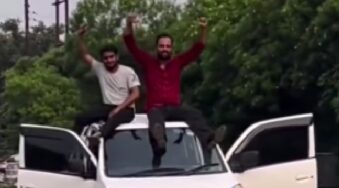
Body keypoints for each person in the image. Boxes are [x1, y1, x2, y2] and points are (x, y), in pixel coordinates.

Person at [123, 15, 225, 160]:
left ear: (172, 49)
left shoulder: (178, 62)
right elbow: (130, 44)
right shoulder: (148, 62)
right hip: (156, 108)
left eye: (167, 46)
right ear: (157, 48)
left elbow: (198, 48)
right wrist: (128, 24)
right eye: (162, 46)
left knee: (194, 114)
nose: (165, 49)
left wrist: (203, 29)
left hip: (175, 107)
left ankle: (209, 140)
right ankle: (160, 142)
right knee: (155, 119)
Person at [73, 25, 140, 149]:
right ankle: (75, 145)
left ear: (117, 57)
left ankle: (97, 139)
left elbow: (135, 94)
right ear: (103, 60)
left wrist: (118, 109)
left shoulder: (127, 71)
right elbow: (84, 55)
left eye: (111, 57)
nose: (109, 60)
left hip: (126, 109)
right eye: (106, 58)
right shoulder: (100, 68)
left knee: (111, 122)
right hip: (108, 107)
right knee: (81, 118)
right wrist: (80, 38)